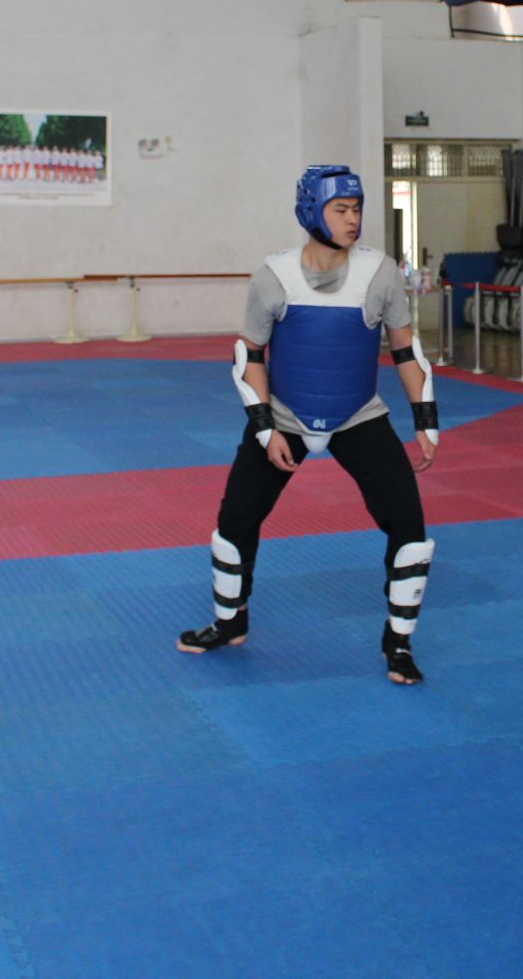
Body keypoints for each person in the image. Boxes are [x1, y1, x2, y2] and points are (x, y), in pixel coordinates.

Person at [176, 166, 442, 684]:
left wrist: (425, 422)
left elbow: (406, 351)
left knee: (409, 528)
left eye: (357, 208)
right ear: (311, 212)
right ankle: (229, 623)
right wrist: (265, 429)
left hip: (359, 415)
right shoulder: (273, 276)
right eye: (341, 209)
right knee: (235, 522)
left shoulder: (381, 273)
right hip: (284, 416)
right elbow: (249, 355)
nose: (353, 219)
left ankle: (398, 643)